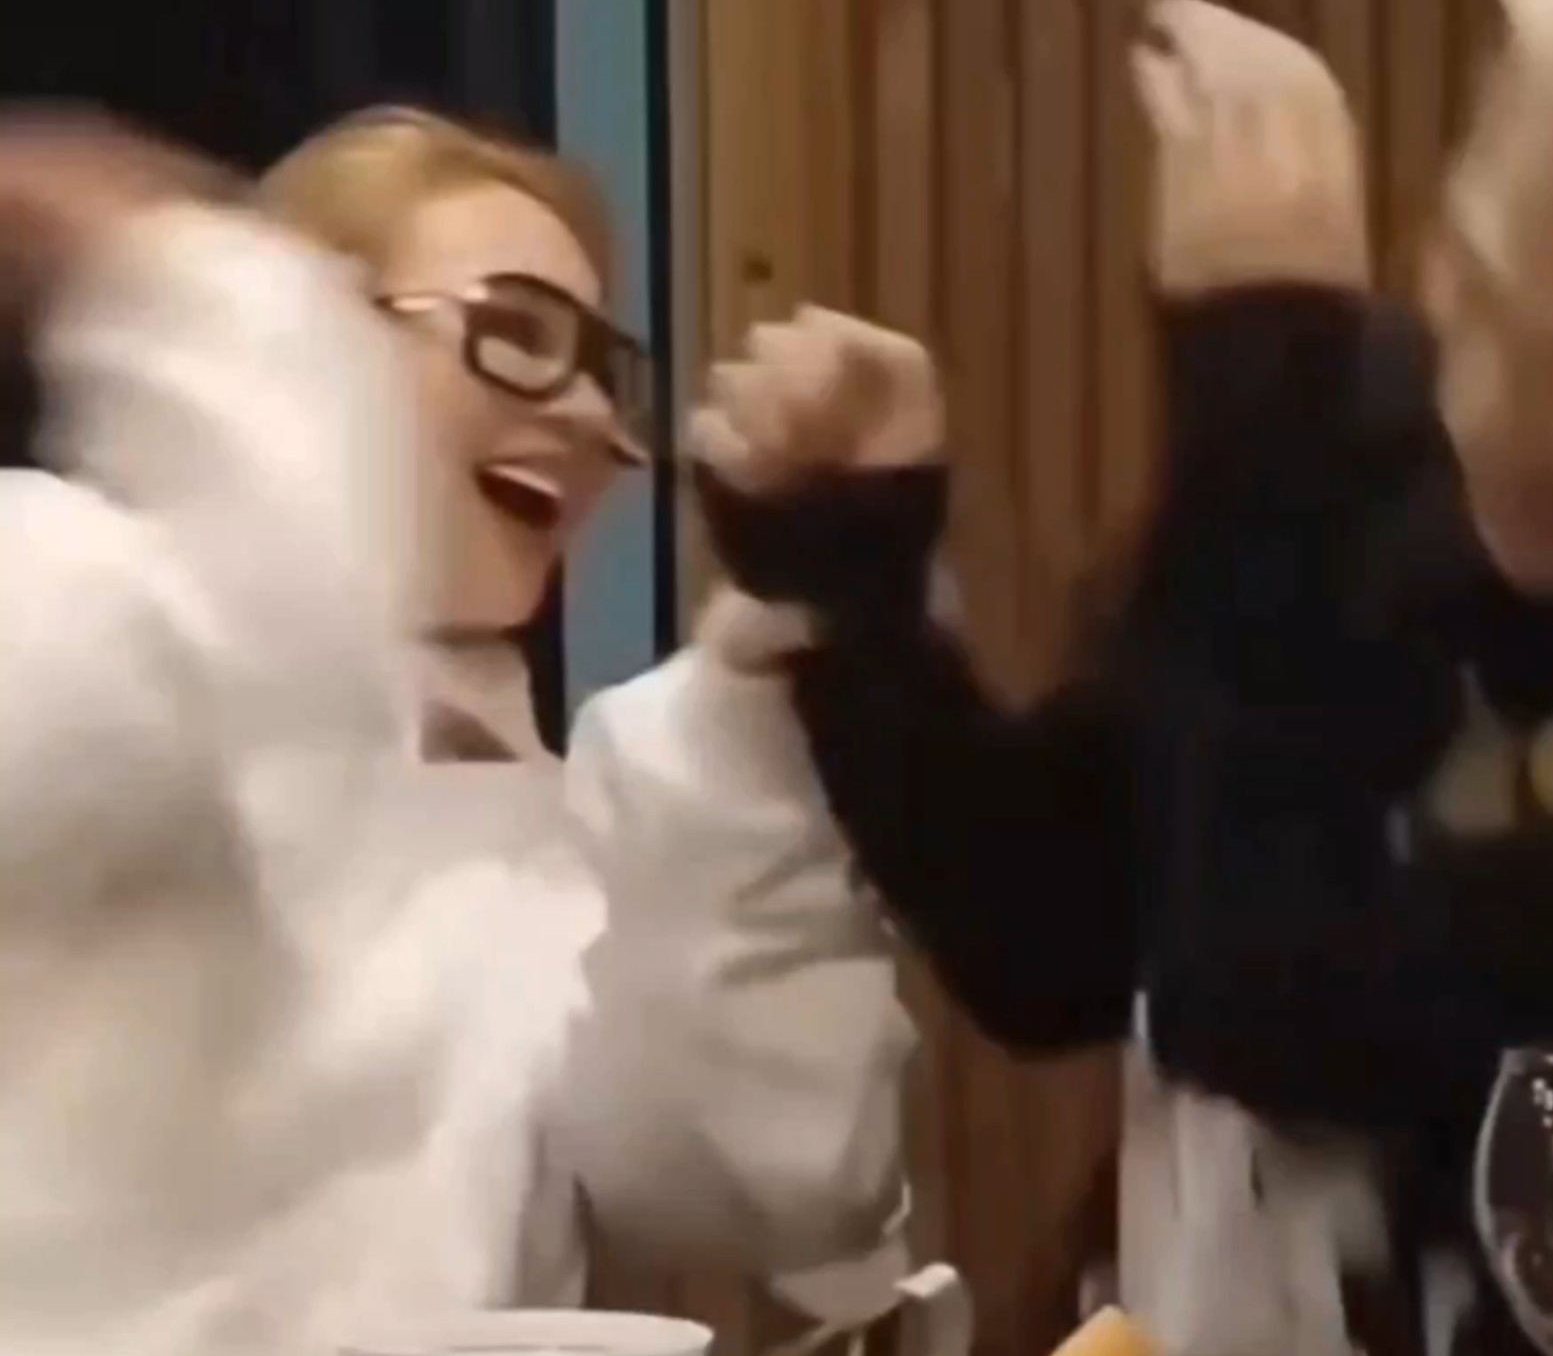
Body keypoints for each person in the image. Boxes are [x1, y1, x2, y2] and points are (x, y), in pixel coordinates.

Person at [690, 0, 1553, 1347]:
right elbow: (1062, 934)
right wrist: (858, 581)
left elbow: (1272, 1002)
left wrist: (1265, 404)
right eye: (1475, 278)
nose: (1495, 410)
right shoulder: (1382, 457)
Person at [0, 110, 913, 1356]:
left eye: (607, 374)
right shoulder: (60, 606)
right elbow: (229, 694)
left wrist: (747, 723)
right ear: (327, 339)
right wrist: (190, 291)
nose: (589, 420)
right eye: (519, 337)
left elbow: (773, 1193)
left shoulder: (570, 866)